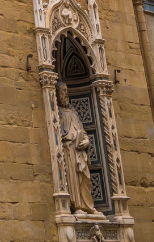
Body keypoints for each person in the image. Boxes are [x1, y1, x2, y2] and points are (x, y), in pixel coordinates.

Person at [57, 83, 97, 214]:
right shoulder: (57, 112)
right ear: (57, 94)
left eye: (67, 91)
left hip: (79, 151)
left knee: (84, 177)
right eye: (63, 92)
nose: (66, 94)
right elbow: (57, 133)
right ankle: (77, 207)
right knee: (72, 179)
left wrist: (86, 141)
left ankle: (87, 206)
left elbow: (83, 131)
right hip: (68, 150)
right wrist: (70, 137)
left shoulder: (74, 112)